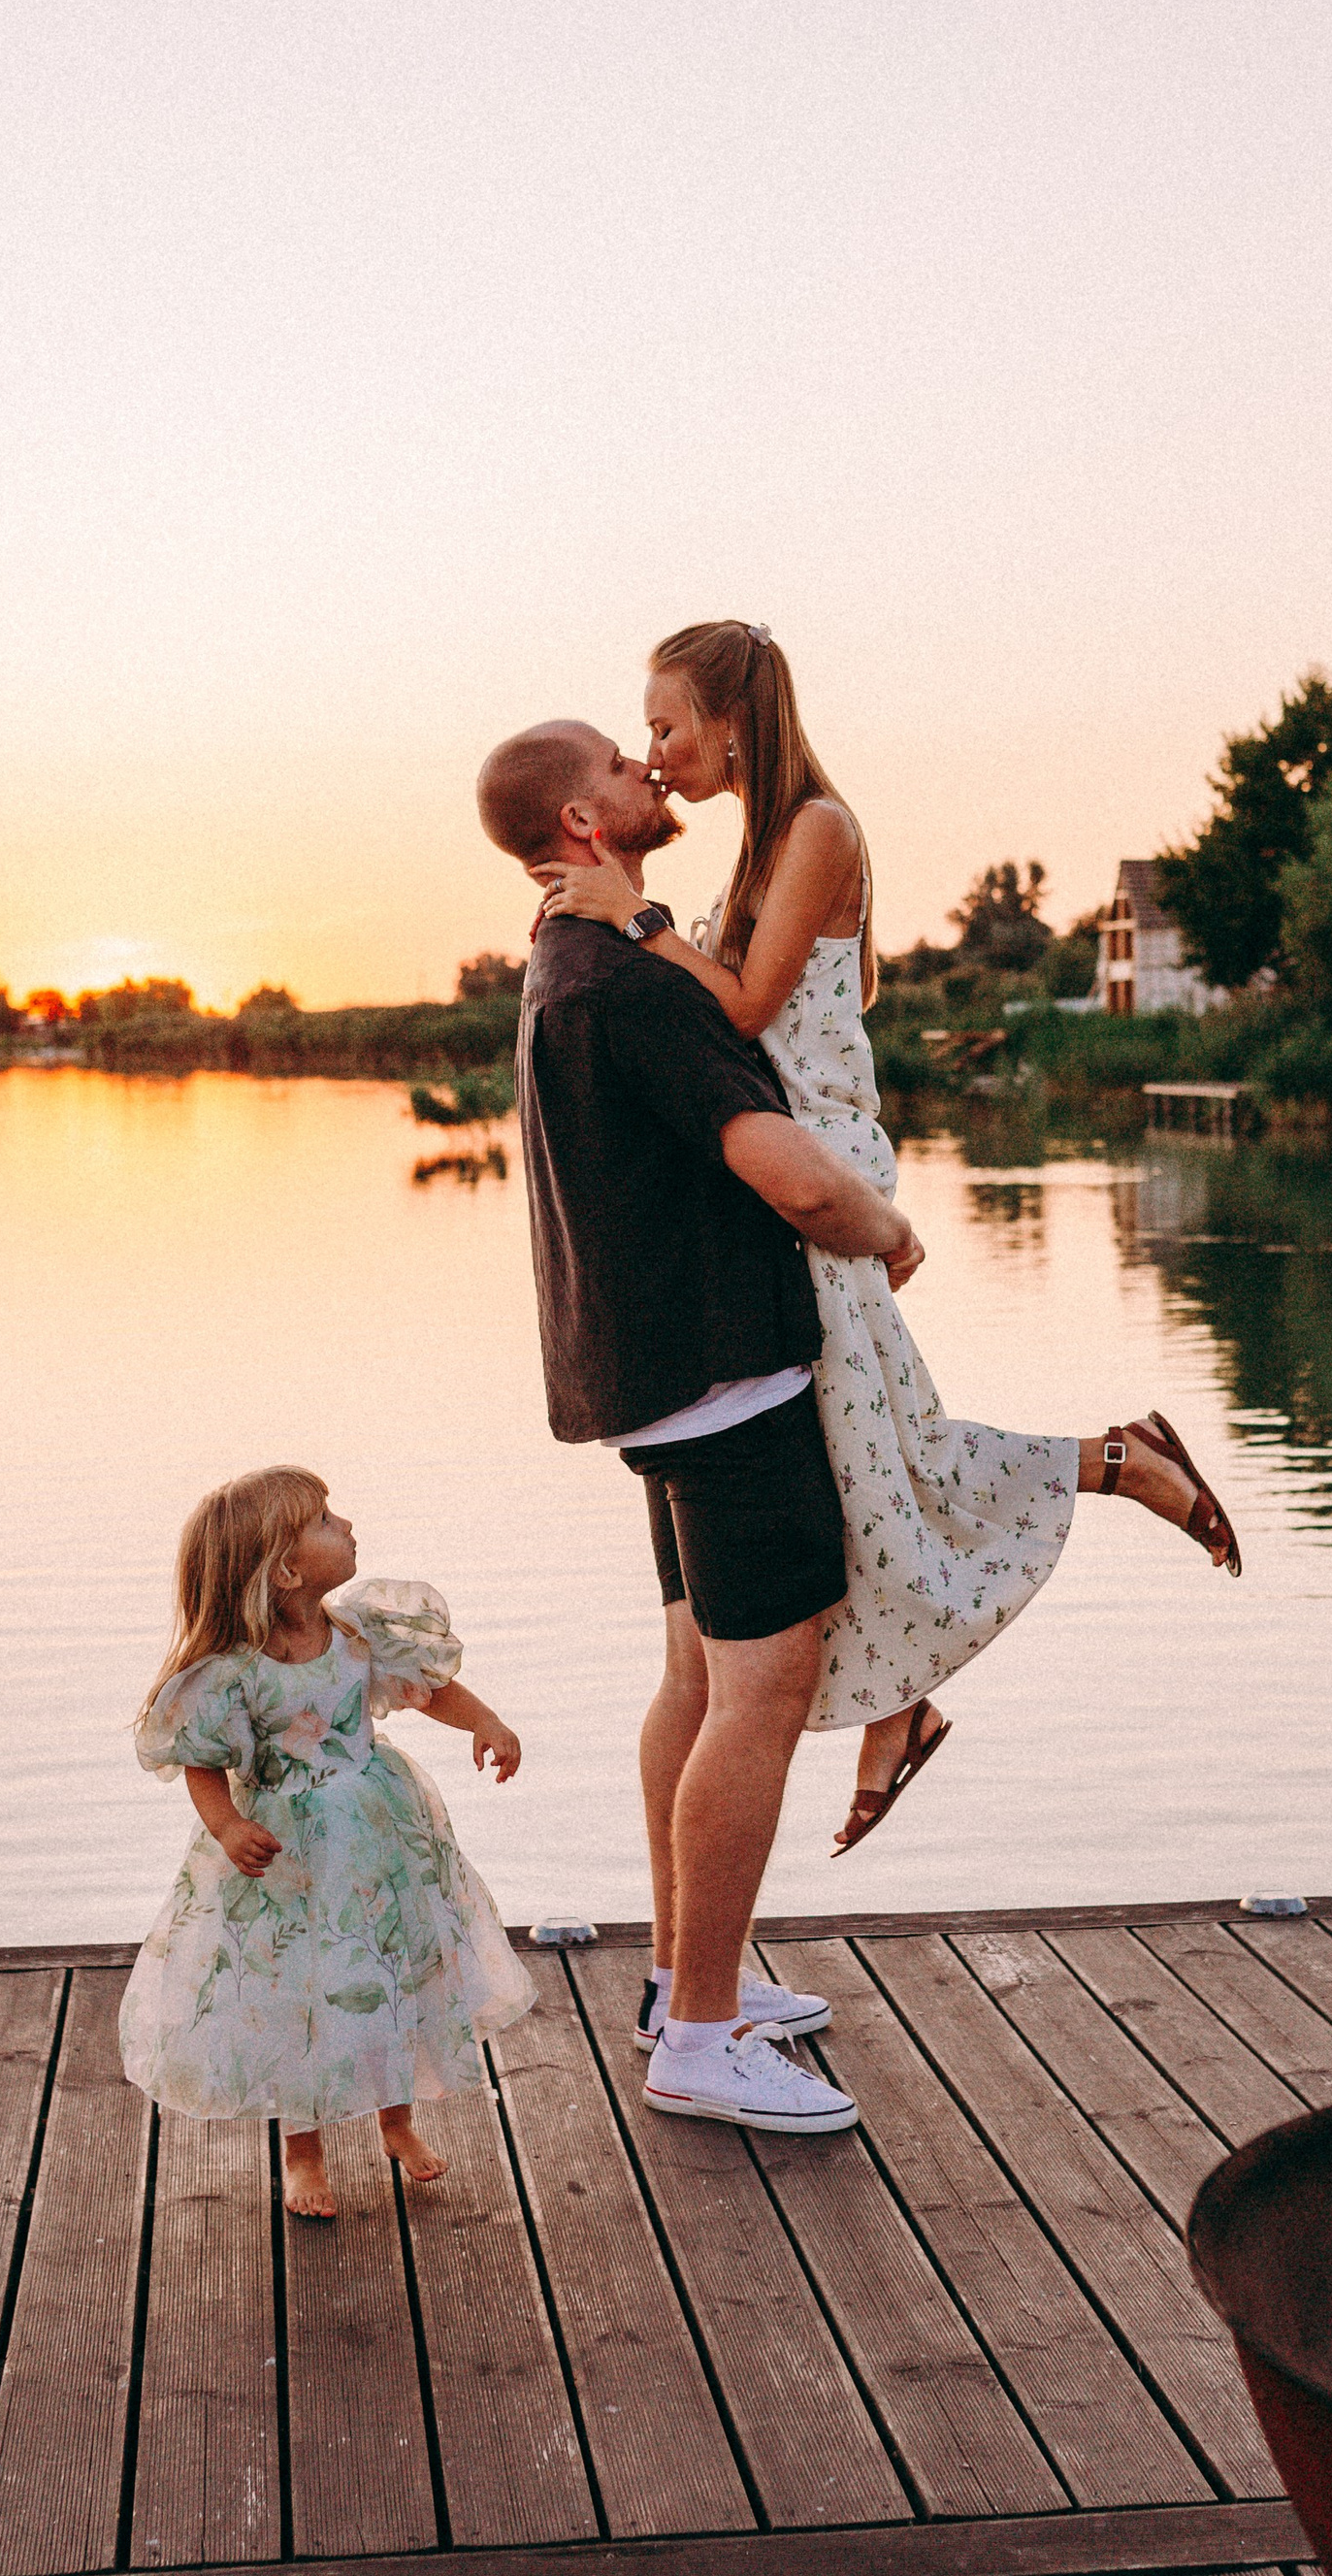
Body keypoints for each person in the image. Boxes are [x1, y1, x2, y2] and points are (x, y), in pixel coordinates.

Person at [534, 619, 1242, 1855]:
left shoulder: (816, 825)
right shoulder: (769, 839)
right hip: (786, 1157)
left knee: (876, 1437)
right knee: (865, 1442)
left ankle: (1109, 1470)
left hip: (817, 1162)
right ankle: (917, 1685)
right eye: (641, 736)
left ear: (733, 716)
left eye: (664, 725)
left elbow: (749, 1006)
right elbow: (779, 998)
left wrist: (639, 927)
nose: (655, 754)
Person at [477, 716, 930, 2138]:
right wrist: (884, 1227)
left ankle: (690, 1978)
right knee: (763, 1697)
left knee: (694, 1675)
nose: (644, 773)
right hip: (733, 1384)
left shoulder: (562, 961)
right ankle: (705, 2041)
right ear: (580, 822)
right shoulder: (629, 983)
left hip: (655, 1382)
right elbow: (781, 1168)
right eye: (619, 765)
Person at [117, 1466, 534, 2220]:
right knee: (301, 1991)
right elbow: (203, 1762)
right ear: (285, 1570)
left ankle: (397, 2122)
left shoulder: (357, 1630)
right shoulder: (236, 1672)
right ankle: (302, 2152)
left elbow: (429, 1691)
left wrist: (487, 1723)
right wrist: (229, 1826)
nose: (344, 1526)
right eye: (323, 1521)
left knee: (389, 1966)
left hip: (379, 1835)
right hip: (290, 1851)